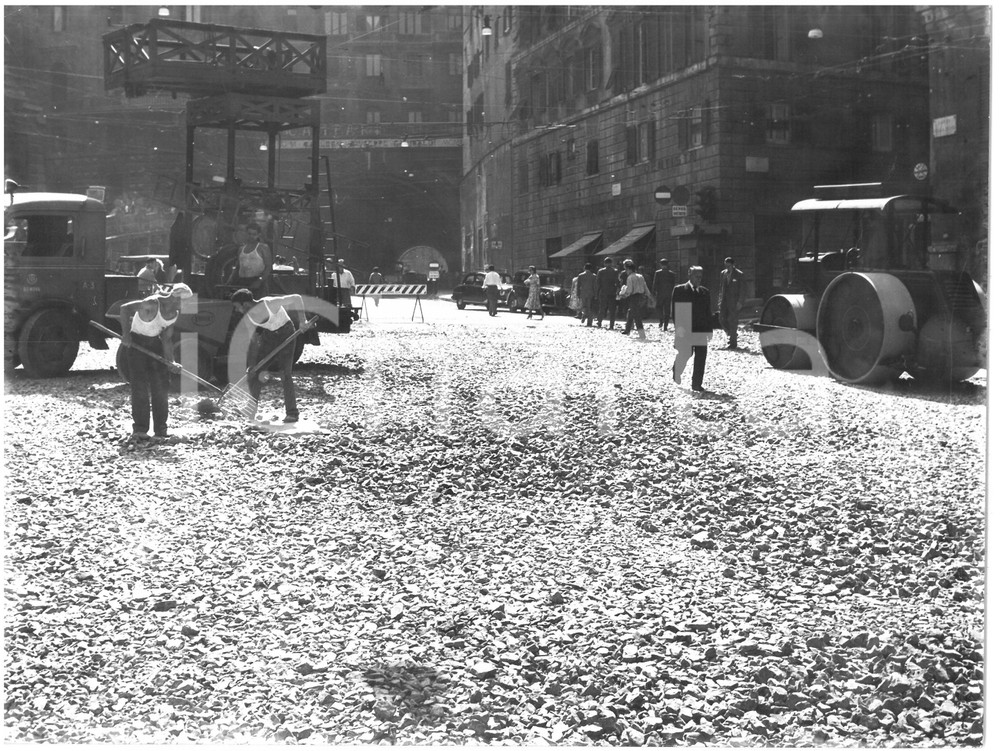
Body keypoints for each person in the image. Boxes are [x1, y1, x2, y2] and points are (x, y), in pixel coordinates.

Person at [118, 284, 193, 442]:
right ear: (176, 298)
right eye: (184, 301)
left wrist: (171, 361)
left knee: (161, 388)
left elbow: (166, 338)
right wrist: (126, 335)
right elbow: (124, 309)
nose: (186, 305)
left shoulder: (174, 313)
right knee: (140, 388)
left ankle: (161, 430)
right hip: (136, 344)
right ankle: (140, 430)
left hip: (155, 345)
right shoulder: (152, 303)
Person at [231, 289, 310, 423]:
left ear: (244, 304)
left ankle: (292, 413)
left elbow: (297, 297)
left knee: (285, 373)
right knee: (256, 372)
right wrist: (251, 365)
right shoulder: (248, 317)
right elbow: (253, 341)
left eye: (237, 307)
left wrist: (303, 321)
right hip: (269, 337)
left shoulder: (270, 303)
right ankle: (250, 410)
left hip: (287, 332)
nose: (237, 310)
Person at [671, 265, 714, 391]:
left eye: (701, 277)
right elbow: (675, 310)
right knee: (685, 353)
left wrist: (709, 330)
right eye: (696, 276)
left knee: (701, 357)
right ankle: (676, 370)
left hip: (700, 330)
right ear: (689, 275)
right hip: (685, 329)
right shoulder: (679, 290)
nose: (699, 279)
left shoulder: (705, 292)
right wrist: (678, 327)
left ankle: (696, 384)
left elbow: (707, 312)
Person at [227, 222, 272, 293]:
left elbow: (268, 267)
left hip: (258, 283)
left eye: (254, 234)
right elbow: (238, 267)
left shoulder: (263, 248)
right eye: (249, 234)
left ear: (258, 235)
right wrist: (230, 279)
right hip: (242, 282)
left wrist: (259, 280)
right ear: (246, 234)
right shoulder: (241, 249)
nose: (251, 236)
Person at [619, 259, 651, 341]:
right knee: (631, 312)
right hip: (641, 297)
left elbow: (629, 290)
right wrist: (649, 296)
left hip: (634, 297)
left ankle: (642, 334)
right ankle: (627, 329)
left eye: (626, 269)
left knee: (636, 315)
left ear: (629, 269)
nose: (625, 271)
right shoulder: (640, 276)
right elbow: (645, 287)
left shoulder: (630, 277)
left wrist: (623, 295)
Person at [718, 256, 745, 349]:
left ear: (733, 265)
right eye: (726, 266)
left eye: (729, 266)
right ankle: (731, 333)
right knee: (721, 318)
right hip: (724, 301)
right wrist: (720, 300)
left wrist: (740, 302)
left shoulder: (739, 274)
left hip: (734, 302)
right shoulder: (723, 274)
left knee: (732, 321)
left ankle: (733, 343)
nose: (727, 268)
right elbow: (721, 288)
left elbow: (743, 290)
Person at [652, 258, 676, 331]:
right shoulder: (672, 273)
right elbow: (673, 284)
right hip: (668, 294)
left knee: (658, 307)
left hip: (660, 294)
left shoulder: (658, 273)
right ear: (667, 264)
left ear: (660, 265)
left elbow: (655, 283)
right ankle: (665, 326)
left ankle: (661, 320)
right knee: (667, 310)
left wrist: (654, 292)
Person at [595, 257, 619, 329]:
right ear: (611, 263)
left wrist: (597, 293)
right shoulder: (615, 271)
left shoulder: (601, 271)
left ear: (604, 263)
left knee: (602, 308)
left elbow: (598, 283)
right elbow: (617, 282)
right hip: (612, 292)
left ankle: (599, 322)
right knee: (612, 309)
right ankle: (611, 325)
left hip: (603, 292)